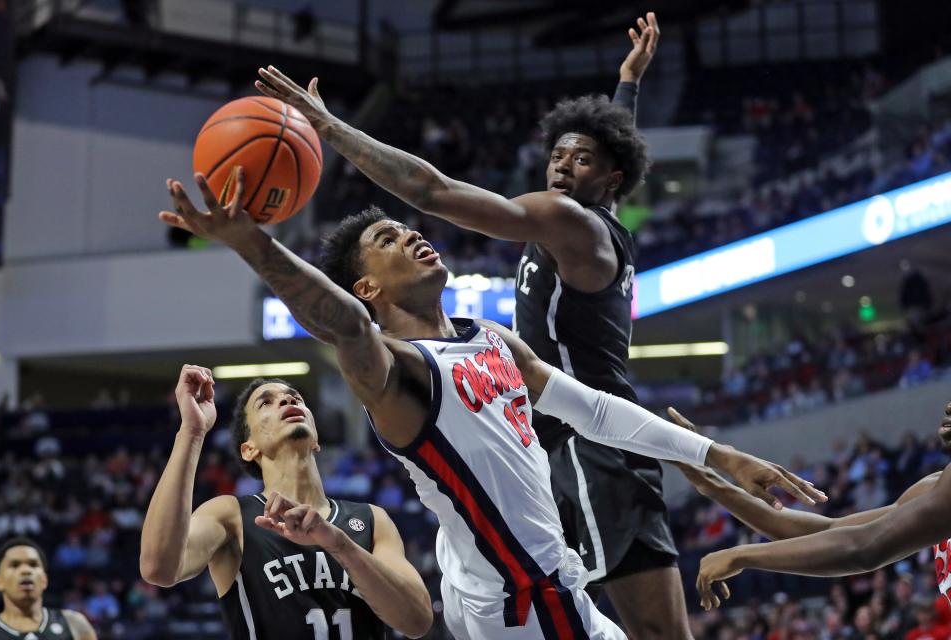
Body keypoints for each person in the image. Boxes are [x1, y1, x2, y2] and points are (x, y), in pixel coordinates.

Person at [157, 168, 824, 638]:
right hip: (521, 605)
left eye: (407, 228)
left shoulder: (492, 339)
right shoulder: (394, 371)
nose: (414, 237)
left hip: (544, 588)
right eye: (387, 241)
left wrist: (718, 453)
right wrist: (253, 242)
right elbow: (343, 323)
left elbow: (594, 412)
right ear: (367, 286)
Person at [251, 15, 733, 639]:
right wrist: (628, 86)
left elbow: (430, 190)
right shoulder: (588, 216)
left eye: (580, 160)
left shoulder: (568, 223)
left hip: (587, 441)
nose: (561, 167)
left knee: (647, 628)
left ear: (608, 179)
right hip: (546, 438)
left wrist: (331, 128)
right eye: (557, 155)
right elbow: (612, 156)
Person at [139, 365, 432, 639]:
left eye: (295, 397)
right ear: (248, 449)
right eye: (265, 403)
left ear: (316, 439)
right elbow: (158, 568)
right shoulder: (232, 515)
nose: (286, 400)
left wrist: (338, 544)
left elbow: (417, 621)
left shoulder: (371, 519)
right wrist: (191, 432)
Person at [675, 402, 951, 611]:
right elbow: (825, 531)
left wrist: (741, 555)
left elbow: (864, 547)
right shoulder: (936, 486)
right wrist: (710, 482)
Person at [0, 537, 96, 640]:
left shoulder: (74, 625)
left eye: (33, 565)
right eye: (15, 565)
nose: (26, 570)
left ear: (44, 580)